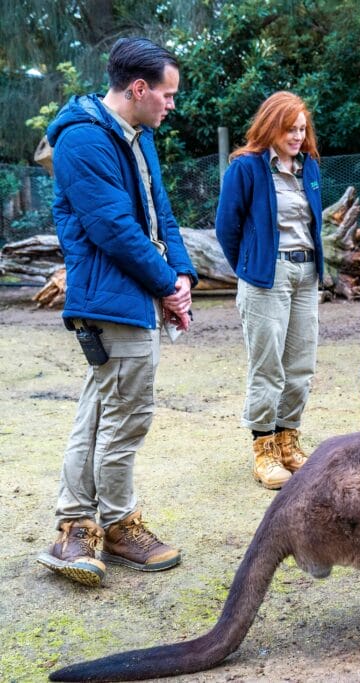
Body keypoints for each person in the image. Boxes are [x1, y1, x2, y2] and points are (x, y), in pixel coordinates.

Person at [36, 37, 197, 587]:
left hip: (136, 296)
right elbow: (114, 229)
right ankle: (117, 524)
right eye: (167, 94)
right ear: (138, 88)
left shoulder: (137, 136)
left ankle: (76, 527)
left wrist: (182, 275)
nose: (171, 105)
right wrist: (165, 286)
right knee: (125, 417)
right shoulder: (84, 139)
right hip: (112, 300)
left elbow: (162, 215)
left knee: (99, 412)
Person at [215, 92, 324, 490]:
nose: (297, 137)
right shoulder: (245, 168)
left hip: (306, 273)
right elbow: (226, 229)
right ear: (271, 126)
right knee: (268, 367)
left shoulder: (310, 167)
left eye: (302, 129)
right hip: (267, 276)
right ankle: (264, 449)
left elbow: (312, 222)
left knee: (300, 365)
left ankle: (287, 440)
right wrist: (252, 267)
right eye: (290, 129)